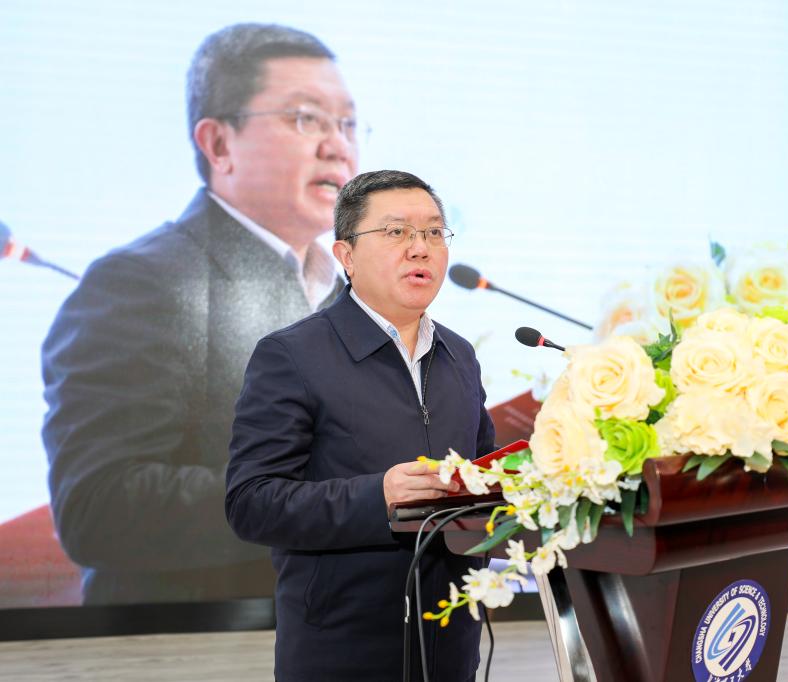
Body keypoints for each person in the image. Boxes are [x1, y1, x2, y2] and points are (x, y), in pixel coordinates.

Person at [40, 23, 360, 604]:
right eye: (305, 118)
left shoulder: (346, 294)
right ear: (219, 145)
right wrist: (328, 496)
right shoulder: (139, 283)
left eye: (347, 124)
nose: (338, 145)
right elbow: (98, 505)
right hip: (204, 639)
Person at [226, 170, 495, 681]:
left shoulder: (459, 355)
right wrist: (379, 496)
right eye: (396, 232)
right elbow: (251, 503)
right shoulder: (292, 355)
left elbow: (481, 478)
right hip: (341, 647)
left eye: (434, 232)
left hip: (451, 643)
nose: (420, 248)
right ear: (345, 256)